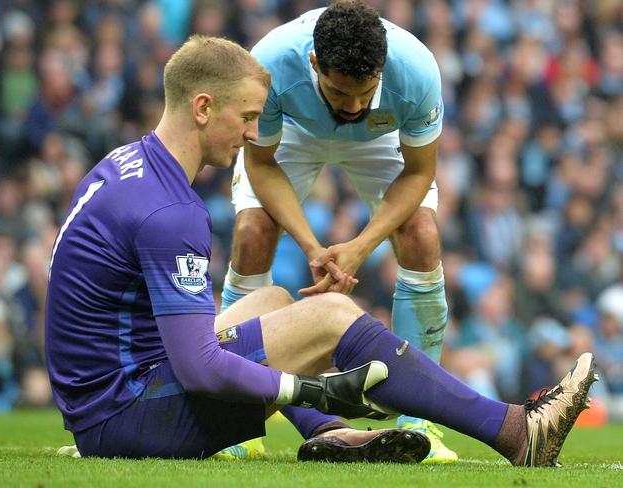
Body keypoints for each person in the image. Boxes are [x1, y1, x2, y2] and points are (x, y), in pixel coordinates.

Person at [44, 34, 598, 467]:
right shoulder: (171, 212)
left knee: (278, 300)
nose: (253, 133)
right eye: (246, 117)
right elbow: (198, 369)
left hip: (109, 402)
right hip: (131, 417)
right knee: (332, 315)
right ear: (204, 107)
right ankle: (516, 430)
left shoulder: (126, 164)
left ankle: (329, 434)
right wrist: (315, 387)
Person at [219, 0, 453, 461]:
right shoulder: (269, 64)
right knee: (252, 234)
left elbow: (419, 172)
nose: (353, 106)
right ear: (313, 64)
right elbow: (261, 164)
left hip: (380, 139)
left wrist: (361, 247)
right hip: (295, 130)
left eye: (365, 92)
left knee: (422, 234)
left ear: (381, 70)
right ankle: (233, 422)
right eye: (339, 91)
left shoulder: (417, 69)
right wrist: (312, 246)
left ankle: (419, 424)